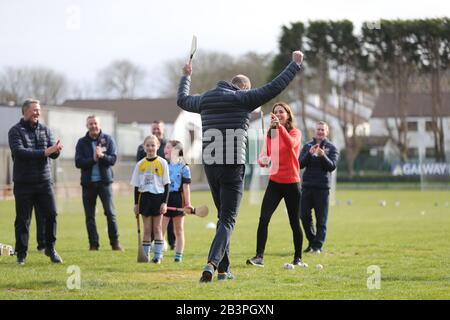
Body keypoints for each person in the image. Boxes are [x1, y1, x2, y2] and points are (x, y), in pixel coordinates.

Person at [177, 50, 304, 282]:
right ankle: (211, 265)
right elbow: (274, 87)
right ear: (245, 88)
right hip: (233, 165)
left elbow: (182, 101)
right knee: (228, 219)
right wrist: (294, 65)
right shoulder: (242, 98)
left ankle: (224, 271)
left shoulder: (205, 98)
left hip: (211, 165)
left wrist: (186, 77)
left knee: (222, 217)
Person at [246, 102, 307, 268]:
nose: (278, 114)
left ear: (287, 115)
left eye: (281, 112)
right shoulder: (270, 134)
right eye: (275, 112)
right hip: (275, 182)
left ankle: (298, 258)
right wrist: (262, 161)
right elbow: (263, 155)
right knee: (263, 218)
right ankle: (259, 257)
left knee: (294, 222)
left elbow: (291, 144)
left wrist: (279, 127)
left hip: (292, 183)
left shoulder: (296, 132)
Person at [8, 98, 63, 265]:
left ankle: (50, 248)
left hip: (44, 182)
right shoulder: (15, 131)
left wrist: (56, 151)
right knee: (23, 220)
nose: (38, 113)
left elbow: (51, 153)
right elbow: (20, 152)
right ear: (24, 111)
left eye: (39, 110)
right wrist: (46, 152)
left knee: (52, 214)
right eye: (34, 110)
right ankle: (21, 254)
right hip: (24, 183)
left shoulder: (46, 130)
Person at [75, 115, 123, 251]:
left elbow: (113, 159)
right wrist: (93, 159)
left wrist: (101, 156)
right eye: (90, 124)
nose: (93, 126)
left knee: (110, 213)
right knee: (89, 216)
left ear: (99, 125)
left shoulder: (108, 140)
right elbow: (78, 162)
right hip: (88, 184)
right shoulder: (81, 142)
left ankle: (115, 243)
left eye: (95, 123)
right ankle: (93, 244)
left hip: (104, 183)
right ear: (87, 126)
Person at [136, 120, 176, 250]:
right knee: (148, 229)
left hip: (163, 190)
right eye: (154, 128)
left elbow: (175, 164)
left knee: (165, 222)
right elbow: (138, 179)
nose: (156, 131)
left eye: (158, 128)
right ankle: (148, 251)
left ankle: (170, 243)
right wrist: (136, 203)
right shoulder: (141, 157)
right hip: (147, 194)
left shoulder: (168, 147)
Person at [299, 121, 338, 254]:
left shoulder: (331, 148)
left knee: (321, 219)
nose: (320, 131)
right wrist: (309, 154)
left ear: (326, 132)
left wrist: (323, 156)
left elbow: (331, 166)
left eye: (323, 129)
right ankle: (312, 241)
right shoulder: (307, 146)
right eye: (318, 129)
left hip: (322, 188)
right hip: (307, 186)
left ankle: (317, 246)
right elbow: (300, 164)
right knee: (303, 216)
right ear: (314, 131)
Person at [131, 135, 170, 264]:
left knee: (157, 228)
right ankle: (145, 257)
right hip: (145, 198)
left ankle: (158, 257)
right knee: (147, 229)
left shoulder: (163, 162)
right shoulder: (140, 164)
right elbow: (136, 187)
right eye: (147, 145)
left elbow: (167, 185)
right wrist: (136, 204)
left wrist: (164, 202)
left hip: (158, 198)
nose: (150, 148)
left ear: (158, 146)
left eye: (153, 145)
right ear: (144, 147)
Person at [162, 140, 192, 263]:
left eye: (168, 147)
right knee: (160, 229)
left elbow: (186, 187)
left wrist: (188, 203)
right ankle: (159, 255)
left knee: (178, 230)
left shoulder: (184, 168)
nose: (165, 149)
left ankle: (178, 256)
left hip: (178, 200)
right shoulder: (164, 165)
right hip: (165, 199)